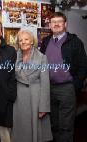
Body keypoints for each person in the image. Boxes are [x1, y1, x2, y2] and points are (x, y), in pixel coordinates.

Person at [40, 12, 87, 142]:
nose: (56, 24)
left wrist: (75, 85)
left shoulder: (74, 41)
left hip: (67, 88)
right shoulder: (46, 41)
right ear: (49, 25)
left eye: (59, 21)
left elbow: (83, 66)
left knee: (66, 126)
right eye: (53, 21)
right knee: (54, 124)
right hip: (50, 88)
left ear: (65, 24)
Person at [11, 30, 52, 142]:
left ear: (32, 41)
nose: (23, 42)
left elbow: (45, 83)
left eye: (26, 39)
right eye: (20, 40)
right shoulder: (14, 56)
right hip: (18, 99)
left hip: (35, 99)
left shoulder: (42, 58)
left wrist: (44, 106)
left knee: (34, 133)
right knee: (20, 131)